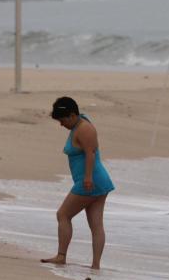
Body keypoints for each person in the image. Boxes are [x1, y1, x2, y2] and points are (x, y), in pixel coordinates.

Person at [42, 96, 115, 270]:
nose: (61, 124)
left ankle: (61, 256)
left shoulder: (84, 128)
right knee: (96, 225)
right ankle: (95, 265)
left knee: (63, 215)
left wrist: (87, 178)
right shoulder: (79, 124)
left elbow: (91, 153)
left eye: (63, 120)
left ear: (73, 115)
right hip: (98, 181)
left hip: (90, 181)